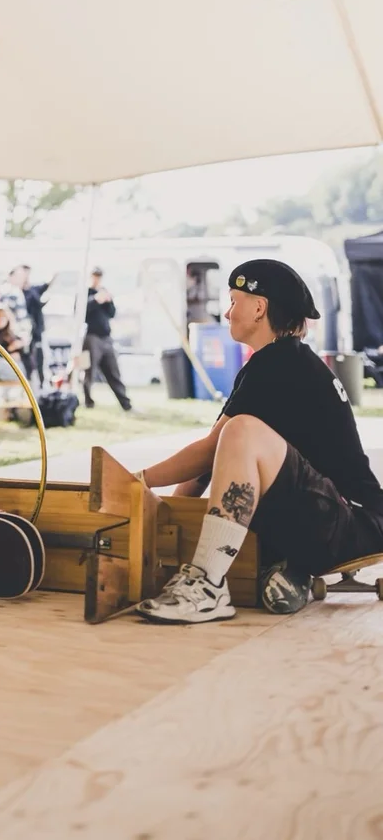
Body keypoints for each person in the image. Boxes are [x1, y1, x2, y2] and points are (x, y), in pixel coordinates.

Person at [135, 260, 383, 625]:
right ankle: (283, 566)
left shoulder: (281, 361)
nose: (229, 311)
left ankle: (208, 586)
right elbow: (214, 455)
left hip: (349, 524)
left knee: (242, 431)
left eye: (235, 301)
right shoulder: (277, 361)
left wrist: (136, 482)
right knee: (236, 437)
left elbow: (209, 451)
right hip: (335, 518)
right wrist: (165, 512)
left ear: (259, 307)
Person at [82, 267, 132, 413]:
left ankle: (125, 403)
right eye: (94, 276)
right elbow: (80, 313)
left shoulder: (104, 291)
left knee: (113, 371)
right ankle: (88, 402)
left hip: (106, 337)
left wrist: (108, 301)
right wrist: (96, 300)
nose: (96, 279)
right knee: (89, 371)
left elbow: (112, 313)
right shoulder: (86, 293)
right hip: (91, 337)